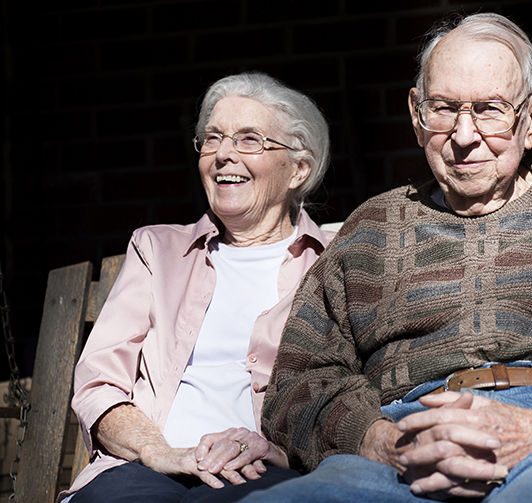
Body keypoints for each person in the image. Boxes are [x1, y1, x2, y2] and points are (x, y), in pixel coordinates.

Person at [244, 12, 532, 503]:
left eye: (489, 109)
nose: (464, 137)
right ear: (416, 114)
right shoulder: (371, 228)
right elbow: (296, 386)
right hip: (405, 447)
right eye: (444, 108)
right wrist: (377, 438)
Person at [58, 71, 335, 503]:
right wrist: (158, 451)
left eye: (248, 140)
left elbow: (359, 390)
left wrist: (281, 450)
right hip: (148, 468)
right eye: (212, 139)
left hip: (264, 469)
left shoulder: (335, 261)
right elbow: (99, 382)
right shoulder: (158, 250)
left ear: (298, 169)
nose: (224, 154)